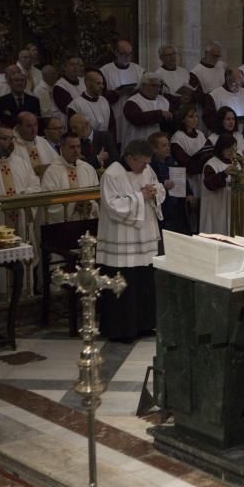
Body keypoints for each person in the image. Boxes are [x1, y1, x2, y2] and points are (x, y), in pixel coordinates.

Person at [95, 139, 165, 342]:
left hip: (144, 237)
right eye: (142, 162)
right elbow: (112, 206)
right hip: (122, 237)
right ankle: (121, 330)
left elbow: (158, 188)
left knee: (143, 280)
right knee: (125, 281)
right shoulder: (112, 174)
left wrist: (155, 193)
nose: (145, 166)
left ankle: (144, 324)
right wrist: (140, 196)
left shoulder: (146, 169)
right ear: (130, 158)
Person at [41, 131, 99, 224]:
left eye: (78, 147)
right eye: (72, 147)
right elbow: (49, 204)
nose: (76, 151)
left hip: (86, 221)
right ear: (62, 148)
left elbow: (96, 198)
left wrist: (91, 206)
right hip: (62, 226)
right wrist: (73, 206)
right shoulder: (52, 171)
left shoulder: (88, 168)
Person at [100, 40, 144, 143]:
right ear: (116, 53)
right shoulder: (105, 71)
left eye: (129, 54)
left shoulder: (139, 70)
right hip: (114, 112)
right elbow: (101, 96)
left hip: (134, 113)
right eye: (123, 54)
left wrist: (134, 92)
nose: (127, 57)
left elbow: (145, 93)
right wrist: (118, 93)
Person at [148, 131, 191, 236]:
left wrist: (189, 193)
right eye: (163, 146)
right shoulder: (150, 166)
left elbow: (183, 180)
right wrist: (163, 184)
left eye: (168, 145)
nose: (168, 148)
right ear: (154, 149)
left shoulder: (173, 161)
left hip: (178, 207)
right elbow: (149, 185)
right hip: (163, 209)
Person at [169, 103, 211, 202]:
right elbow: (181, 160)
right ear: (183, 119)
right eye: (191, 117)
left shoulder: (200, 134)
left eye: (196, 116)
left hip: (201, 176)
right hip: (188, 178)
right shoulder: (178, 137)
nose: (195, 119)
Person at [200, 134, 238, 235]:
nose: (232, 152)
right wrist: (224, 173)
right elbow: (210, 183)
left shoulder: (237, 163)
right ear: (221, 148)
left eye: (234, 149)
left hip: (232, 207)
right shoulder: (211, 164)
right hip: (216, 208)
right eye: (228, 149)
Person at [204, 66, 244, 130]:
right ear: (227, 79)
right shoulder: (214, 96)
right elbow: (209, 119)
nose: (238, 87)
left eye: (240, 84)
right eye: (235, 84)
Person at [121, 74, 171, 145]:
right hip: (138, 141)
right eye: (154, 86)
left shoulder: (164, 101)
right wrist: (160, 114)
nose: (157, 89)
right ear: (143, 86)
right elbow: (137, 119)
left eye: (159, 86)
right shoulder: (132, 102)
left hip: (158, 143)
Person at [67, 70, 115, 139]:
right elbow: (72, 132)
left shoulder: (104, 101)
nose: (102, 86)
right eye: (98, 83)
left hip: (105, 142)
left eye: (102, 83)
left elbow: (112, 126)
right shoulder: (76, 105)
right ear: (88, 84)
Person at [12, 111, 57, 178]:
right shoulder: (11, 144)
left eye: (35, 125)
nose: (34, 129)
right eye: (29, 126)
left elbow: (57, 163)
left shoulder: (42, 141)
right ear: (18, 127)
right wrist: (35, 170)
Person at [148, 45, 193, 110]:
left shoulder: (184, 71)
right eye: (168, 55)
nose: (172, 57)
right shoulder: (158, 75)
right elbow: (159, 96)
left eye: (174, 54)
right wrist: (178, 99)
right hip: (170, 108)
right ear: (161, 58)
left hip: (186, 107)